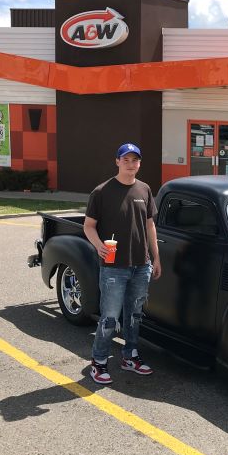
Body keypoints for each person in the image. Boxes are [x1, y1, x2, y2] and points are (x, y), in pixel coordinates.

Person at [83, 142, 162, 384]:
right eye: (125, 159)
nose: (130, 164)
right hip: (113, 268)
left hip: (141, 265)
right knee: (109, 317)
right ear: (117, 162)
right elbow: (89, 226)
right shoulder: (102, 191)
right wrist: (98, 245)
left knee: (134, 315)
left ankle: (130, 356)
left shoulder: (145, 189)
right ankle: (99, 362)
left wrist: (155, 258)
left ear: (139, 163)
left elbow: (150, 225)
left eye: (134, 160)